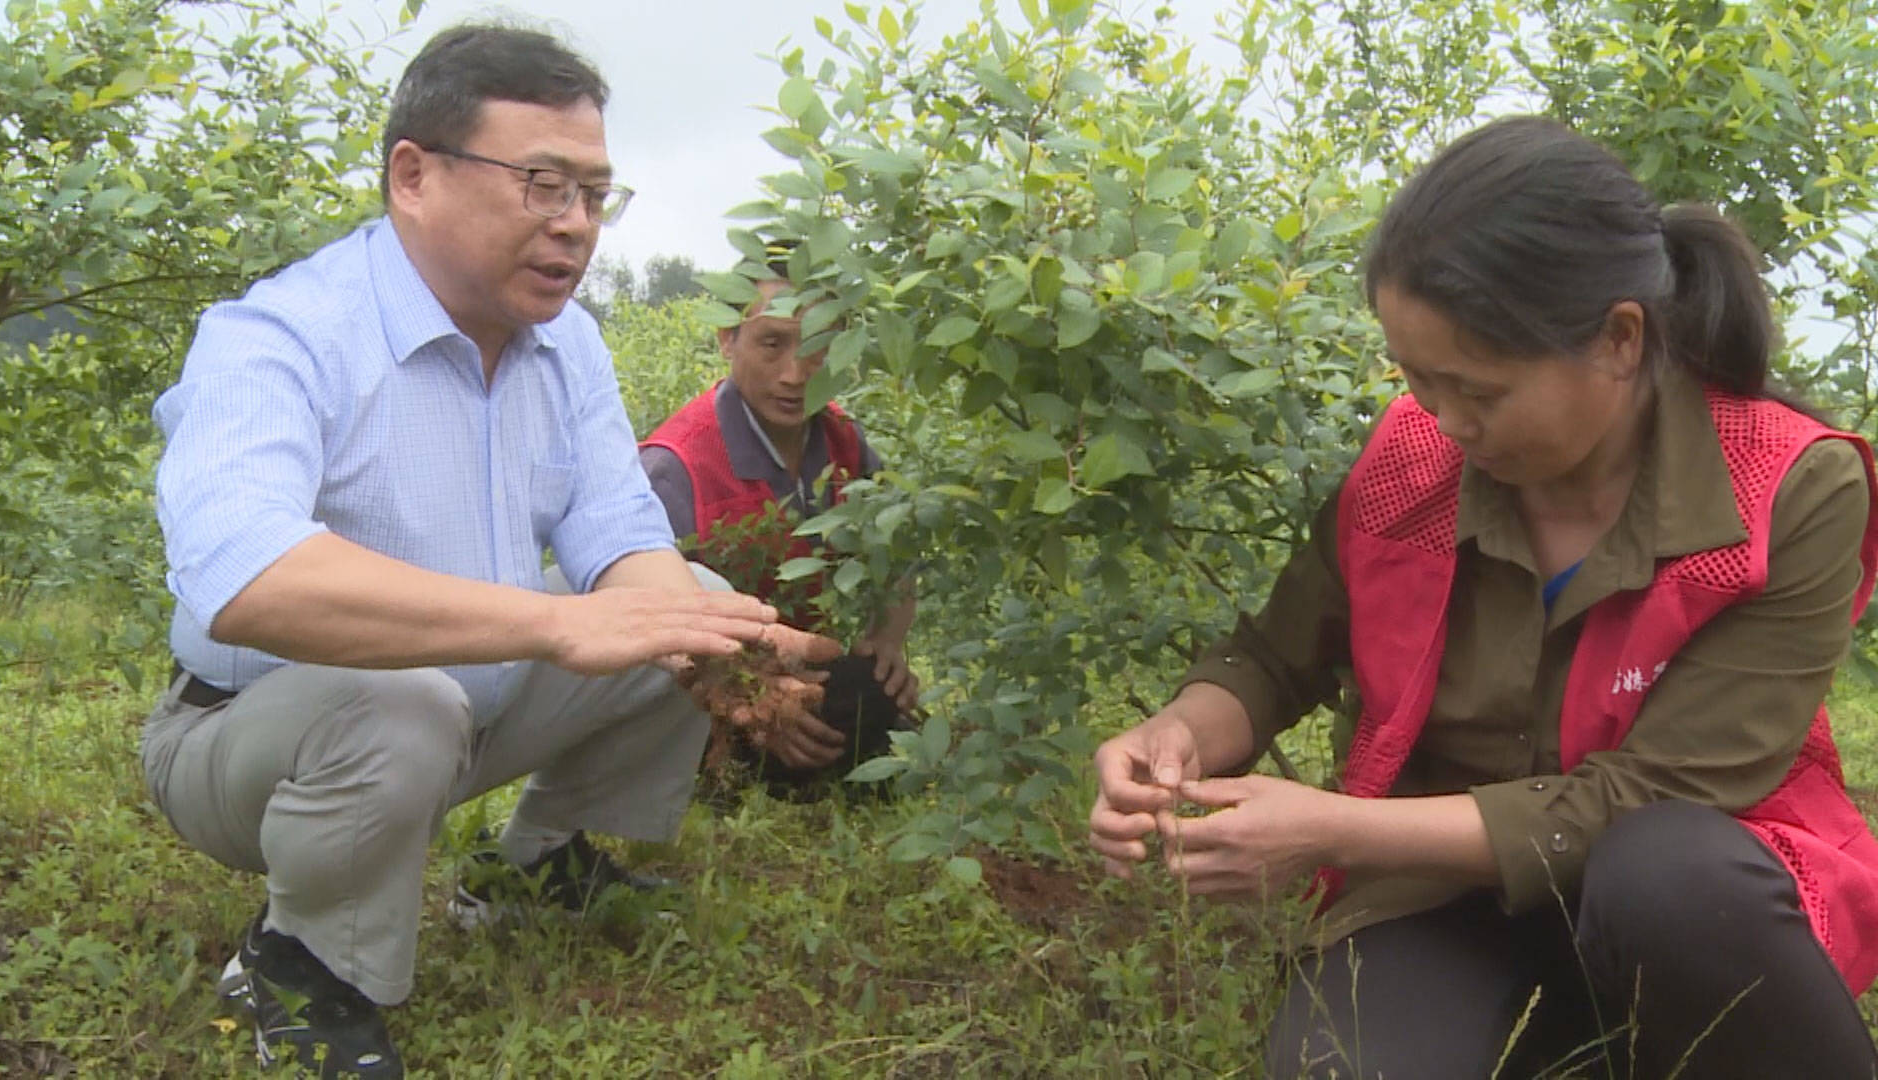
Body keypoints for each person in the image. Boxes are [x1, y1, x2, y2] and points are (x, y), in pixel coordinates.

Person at [1089, 115, 1878, 1079]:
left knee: (1665, 873)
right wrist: (1178, 734)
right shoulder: (1410, 463)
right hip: (1437, 885)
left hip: (1680, 892)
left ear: (1620, 339)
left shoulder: (1788, 488)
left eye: (1481, 391)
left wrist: (1325, 828)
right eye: (1420, 382)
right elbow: (1274, 655)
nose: (1447, 421)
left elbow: (1656, 795)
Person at [141, 25, 834, 1078]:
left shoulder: (568, 345)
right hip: (250, 740)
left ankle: (532, 865)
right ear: (413, 175)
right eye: (542, 185)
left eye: (596, 196)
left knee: (689, 598)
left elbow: (617, 534)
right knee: (404, 699)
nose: (575, 228)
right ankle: (299, 966)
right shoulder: (280, 334)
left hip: (471, 705)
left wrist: (708, 644)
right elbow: (246, 575)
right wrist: (565, 622)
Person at [639, 255, 919, 789]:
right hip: (709, 691)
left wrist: (888, 644)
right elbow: (651, 635)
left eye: (816, 346)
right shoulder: (676, 466)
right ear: (728, 339)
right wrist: (754, 696)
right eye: (771, 344)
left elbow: (897, 557)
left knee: (870, 688)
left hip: (806, 670)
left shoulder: (844, 441)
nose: (795, 374)